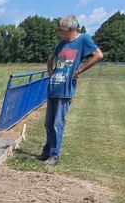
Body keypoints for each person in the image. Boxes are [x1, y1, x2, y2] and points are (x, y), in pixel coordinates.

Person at [42, 16, 103, 166]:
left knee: (58, 123)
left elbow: (98, 55)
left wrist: (80, 70)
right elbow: (51, 59)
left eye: (62, 31)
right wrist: (51, 75)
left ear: (71, 29)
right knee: (48, 123)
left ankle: (54, 155)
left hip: (66, 89)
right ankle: (47, 151)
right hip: (54, 86)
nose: (59, 33)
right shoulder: (62, 43)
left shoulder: (83, 40)